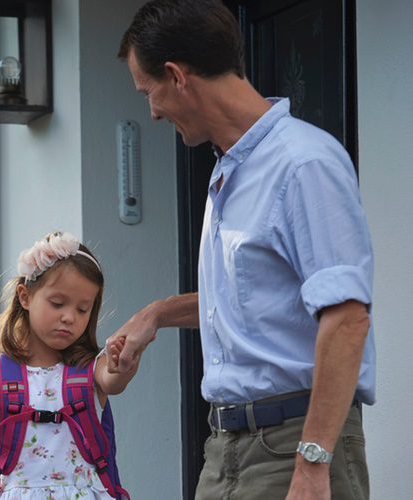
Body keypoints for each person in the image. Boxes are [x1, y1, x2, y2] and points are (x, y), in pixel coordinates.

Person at [113, 1, 375, 499]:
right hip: (225, 449)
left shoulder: (304, 164)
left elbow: (347, 318)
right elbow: (258, 300)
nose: (151, 111)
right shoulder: (228, 170)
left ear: (176, 75)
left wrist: (314, 461)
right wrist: (159, 314)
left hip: (295, 446)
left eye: (149, 92)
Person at [0, 232, 138, 499]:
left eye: (83, 309)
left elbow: (112, 381)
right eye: (57, 304)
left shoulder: (91, 367)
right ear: (25, 297)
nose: (69, 317)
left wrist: (123, 367)